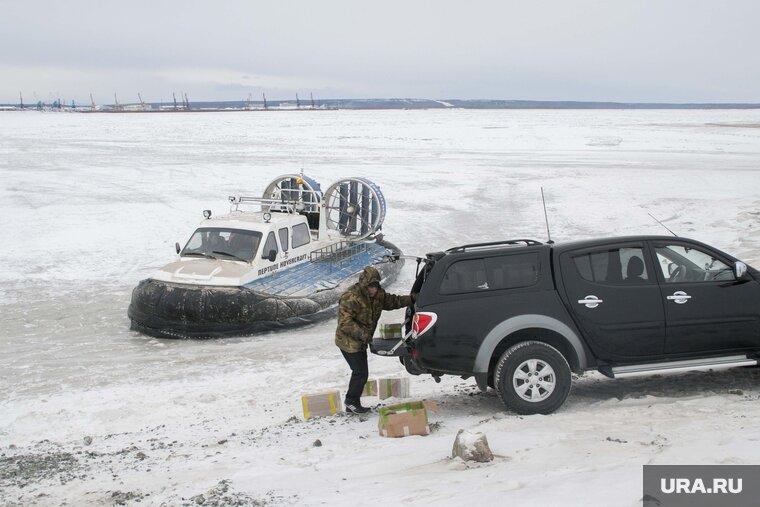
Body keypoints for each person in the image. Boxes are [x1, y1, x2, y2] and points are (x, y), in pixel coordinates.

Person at [335, 266, 413, 414]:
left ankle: (352, 402)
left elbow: (393, 301)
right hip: (348, 341)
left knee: (361, 371)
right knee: (360, 372)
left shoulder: (378, 295)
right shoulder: (350, 298)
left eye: (376, 286)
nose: (374, 290)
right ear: (365, 285)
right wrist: (363, 334)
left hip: (362, 340)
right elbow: (345, 323)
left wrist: (412, 299)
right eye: (371, 286)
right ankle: (351, 402)